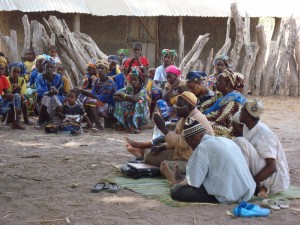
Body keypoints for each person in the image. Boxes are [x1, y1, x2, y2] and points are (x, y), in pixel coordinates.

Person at [166, 118, 256, 203]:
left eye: (189, 143)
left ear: (194, 138)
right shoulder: (226, 140)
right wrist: (182, 178)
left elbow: (193, 182)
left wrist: (178, 183)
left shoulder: (202, 147)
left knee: (175, 191)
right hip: (248, 191)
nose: (191, 147)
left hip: (229, 194)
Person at [126, 91, 214, 175]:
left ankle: (178, 179)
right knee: (149, 156)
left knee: (165, 166)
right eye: (176, 105)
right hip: (181, 153)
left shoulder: (195, 119)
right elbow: (176, 138)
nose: (175, 108)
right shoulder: (184, 117)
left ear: (190, 107)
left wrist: (163, 129)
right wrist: (162, 147)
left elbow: (182, 143)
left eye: (179, 106)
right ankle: (142, 153)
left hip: (192, 159)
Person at [234, 98, 290, 198]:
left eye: (242, 111)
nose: (239, 113)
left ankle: (256, 186)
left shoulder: (264, 134)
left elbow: (272, 167)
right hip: (263, 173)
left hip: (274, 180)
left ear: (248, 117)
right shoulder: (247, 127)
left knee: (240, 142)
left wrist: (252, 183)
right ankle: (253, 184)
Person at [201, 69, 246, 137]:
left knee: (201, 127)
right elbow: (206, 105)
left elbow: (218, 118)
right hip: (219, 123)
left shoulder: (233, 100)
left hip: (229, 131)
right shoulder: (221, 96)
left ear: (227, 84)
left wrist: (200, 118)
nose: (216, 83)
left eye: (219, 81)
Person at [78, 60, 117, 130]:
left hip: (110, 106)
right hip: (101, 103)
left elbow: (103, 98)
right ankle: (90, 122)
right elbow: (93, 92)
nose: (100, 70)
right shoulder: (97, 81)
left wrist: (88, 94)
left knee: (92, 101)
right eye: (98, 68)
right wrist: (88, 94)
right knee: (86, 99)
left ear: (107, 71)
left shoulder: (109, 82)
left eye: (102, 68)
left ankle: (98, 124)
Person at [113, 67, 149, 134]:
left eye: (135, 80)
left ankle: (136, 126)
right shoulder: (129, 88)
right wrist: (128, 98)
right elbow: (115, 96)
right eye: (132, 80)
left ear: (140, 81)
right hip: (131, 110)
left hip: (142, 116)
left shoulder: (143, 90)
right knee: (120, 102)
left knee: (139, 102)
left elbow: (137, 99)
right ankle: (123, 124)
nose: (133, 82)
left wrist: (123, 95)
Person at [35, 59, 64, 126]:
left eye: (51, 67)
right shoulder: (40, 77)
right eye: (47, 67)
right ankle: (40, 121)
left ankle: (61, 118)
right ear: (43, 67)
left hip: (56, 99)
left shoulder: (58, 77)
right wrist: (49, 93)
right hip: (41, 102)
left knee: (54, 97)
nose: (49, 69)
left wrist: (55, 92)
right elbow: (40, 92)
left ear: (54, 69)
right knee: (46, 97)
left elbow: (61, 93)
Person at [0, 56, 25, 129]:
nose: (0, 71)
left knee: (17, 96)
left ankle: (15, 122)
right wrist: (4, 96)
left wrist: (12, 93)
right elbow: (4, 96)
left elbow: (7, 93)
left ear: (4, 70)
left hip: (1, 104)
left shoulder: (3, 78)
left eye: (2, 69)